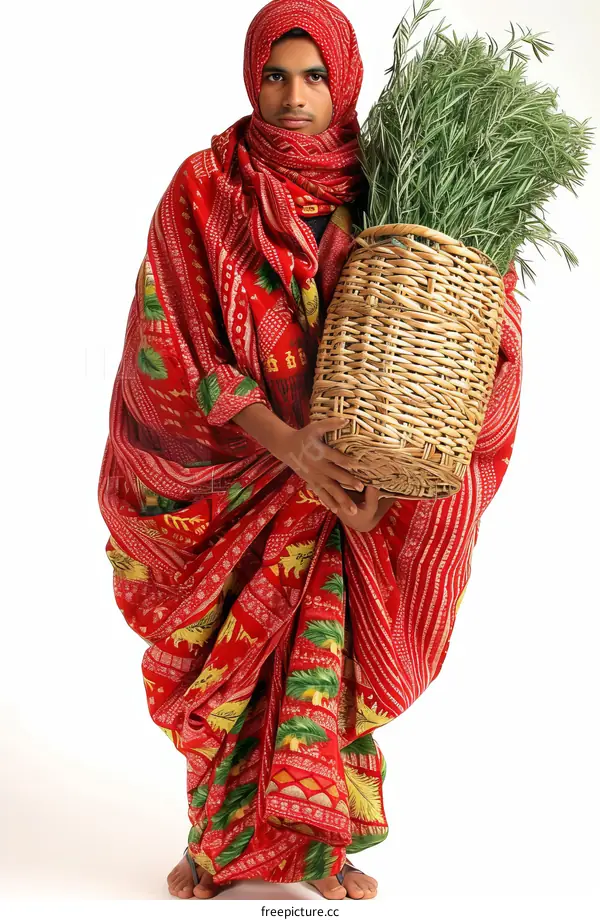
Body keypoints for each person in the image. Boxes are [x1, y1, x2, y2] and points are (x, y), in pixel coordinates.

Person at [97, 0, 523, 901]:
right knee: (227, 674)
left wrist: (376, 472)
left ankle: (323, 853)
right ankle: (213, 850)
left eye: (314, 76)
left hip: (343, 480)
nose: (294, 97)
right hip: (242, 476)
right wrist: (288, 444)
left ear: (345, 82)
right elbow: (176, 343)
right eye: (274, 75)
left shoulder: (386, 189)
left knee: (327, 662)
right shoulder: (204, 188)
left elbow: (430, 339)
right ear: (251, 78)